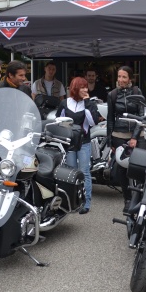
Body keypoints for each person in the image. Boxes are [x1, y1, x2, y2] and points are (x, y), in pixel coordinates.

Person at [57, 77, 103, 214]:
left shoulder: (89, 104)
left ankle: (86, 202)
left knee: (84, 172)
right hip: (69, 142)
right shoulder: (65, 103)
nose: (85, 89)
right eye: (82, 87)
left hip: (84, 142)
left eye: (86, 87)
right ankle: (71, 201)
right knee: (70, 171)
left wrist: (88, 102)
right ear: (75, 88)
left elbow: (93, 122)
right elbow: (59, 121)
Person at [106, 66, 144, 212]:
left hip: (137, 134)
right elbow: (110, 119)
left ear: (130, 79)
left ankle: (140, 199)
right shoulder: (112, 94)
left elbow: (141, 116)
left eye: (124, 77)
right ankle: (127, 199)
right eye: (119, 77)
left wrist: (134, 137)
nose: (121, 80)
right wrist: (110, 141)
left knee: (140, 167)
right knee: (122, 169)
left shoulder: (137, 92)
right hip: (119, 134)